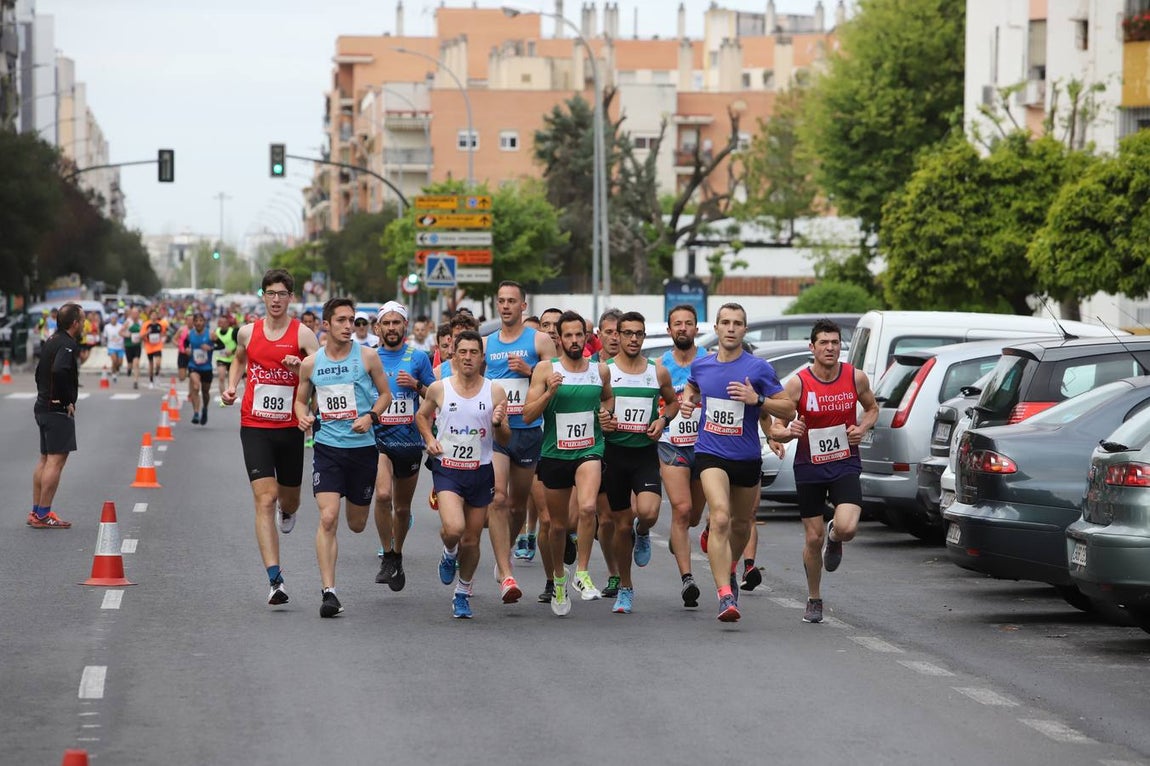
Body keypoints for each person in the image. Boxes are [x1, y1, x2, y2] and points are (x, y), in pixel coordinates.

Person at [679, 303, 794, 622]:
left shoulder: (758, 368)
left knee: (742, 524)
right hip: (710, 453)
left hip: (746, 457)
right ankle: (725, 595)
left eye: (737, 323)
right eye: (726, 322)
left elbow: (789, 408)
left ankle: (730, 567)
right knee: (719, 517)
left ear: (745, 330)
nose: (731, 328)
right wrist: (688, 401)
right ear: (716, 328)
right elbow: (692, 386)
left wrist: (758, 400)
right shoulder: (702, 365)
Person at [769, 318, 878, 624]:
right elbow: (776, 428)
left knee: (847, 527)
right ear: (812, 347)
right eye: (823, 343)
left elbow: (872, 409)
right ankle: (814, 597)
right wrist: (789, 431)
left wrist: (862, 428)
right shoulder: (798, 384)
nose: (830, 348)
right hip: (810, 467)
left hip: (845, 462)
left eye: (835, 343)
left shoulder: (855, 377)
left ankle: (835, 535)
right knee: (812, 538)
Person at [221, 269, 320, 606]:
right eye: (270, 293)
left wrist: (299, 369)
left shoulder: (303, 334)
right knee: (265, 499)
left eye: (282, 294)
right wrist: (232, 386)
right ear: (262, 296)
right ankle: (275, 580)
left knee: (288, 501)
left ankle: (288, 511)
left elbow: (321, 375)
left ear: (291, 297)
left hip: (291, 428)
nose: (276, 300)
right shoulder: (247, 332)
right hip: (255, 425)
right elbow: (239, 360)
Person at [294, 298, 392, 618]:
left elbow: (386, 394)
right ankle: (329, 592)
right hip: (328, 448)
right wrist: (302, 416)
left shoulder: (367, 357)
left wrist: (371, 417)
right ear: (326, 324)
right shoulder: (311, 364)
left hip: (362, 449)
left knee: (357, 524)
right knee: (328, 518)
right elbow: (300, 401)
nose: (348, 326)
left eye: (351, 320)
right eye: (341, 320)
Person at [522, 311, 614, 616]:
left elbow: (608, 399)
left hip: (590, 449)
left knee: (588, 508)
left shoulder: (600, 370)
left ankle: (582, 572)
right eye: (568, 335)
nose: (575, 340)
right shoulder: (545, 369)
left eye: (579, 335)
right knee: (557, 525)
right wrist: (550, 392)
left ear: (587, 337)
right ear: (559, 339)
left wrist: (605, 414)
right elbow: (527, 415)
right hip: (555, 453)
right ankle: (559, 578)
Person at [416, 330, 511, 618]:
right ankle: (449, 553)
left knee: (471, 540)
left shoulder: (495, 391)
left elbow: (505, 439)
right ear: (454, 357)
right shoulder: (440, 388)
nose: (468, 357)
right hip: (448, 469)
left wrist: (498, 424)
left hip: (480, 470)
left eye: (474, 352)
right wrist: (429, 439)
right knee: (454, 529)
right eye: (463, 352)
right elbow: (421, 416)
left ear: (482, 358)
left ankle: (463, 591)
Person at [601, 312, 679, 613]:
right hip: (614, 454)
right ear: (617, 336)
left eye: (639, 333)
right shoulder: (605, 371)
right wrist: (602, 419)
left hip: (644, 453)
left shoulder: (657, 371)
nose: (633, 339)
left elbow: (672, 403)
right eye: (628, 333)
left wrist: (662, 420)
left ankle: (643, 530)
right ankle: (625, 587)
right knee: (621, 526)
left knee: (647, 512)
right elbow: (593, 404)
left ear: (644, 337)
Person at [484, 281, 556, 602]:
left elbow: (554, 382)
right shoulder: (486, 344)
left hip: (528, 432)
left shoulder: (539, 340)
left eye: (512, 301)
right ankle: (505, 570)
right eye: (501, 301)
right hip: (498, 431)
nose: (506, 306)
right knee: (498, 498)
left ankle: (507, 549)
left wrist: (529, 371)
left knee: (516, 507)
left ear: (523, 306)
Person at [371, 301, 436, 593]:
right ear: (378, 328)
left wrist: (416, 386)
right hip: (379, 439)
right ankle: (387, 554)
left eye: (396, 322)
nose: (391, 328)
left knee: (401, 508)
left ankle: (397, 555)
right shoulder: (370, 357)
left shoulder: (418, 357)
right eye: (386, 323)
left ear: (405, 326)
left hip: (409, 441)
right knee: (383, 495)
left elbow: (436, 395)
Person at [657, 304, 709, 607]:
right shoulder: (660, 366)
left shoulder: (710, 361)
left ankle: (679, 538)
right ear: (669, 330)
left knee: (693, 517)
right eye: (677, 323)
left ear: (696, 329)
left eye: (688, 323)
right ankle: (687, 579)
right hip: (671, 443)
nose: (683, 328)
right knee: (681, 508)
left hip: (705, 446)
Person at [29, 302, 84, 529]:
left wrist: (45, 394)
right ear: (75, 323)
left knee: (45, 459)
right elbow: (60, 370)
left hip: (43, 406)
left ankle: (36, 512)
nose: (84, 324)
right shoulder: (67, 344)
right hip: (56, 409)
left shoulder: (52, 339)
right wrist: (66, 400)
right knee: (56, 461)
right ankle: (44, 515)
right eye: (82, 320)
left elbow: (38, 372)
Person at [585, 307, 623, 599]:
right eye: (609, 332)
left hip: (629, 449)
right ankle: (614, 574)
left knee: (634, 515)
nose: (615, 337)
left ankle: (641, 531)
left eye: (619, 332)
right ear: (599, 334)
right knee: (606, 519)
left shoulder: (639, 366)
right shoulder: (587, 367)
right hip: (596, 448)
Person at [186, 313, 216, 425]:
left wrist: (210, 348)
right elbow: (185, 344)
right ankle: (196, 413)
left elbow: (221, 346)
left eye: (201, 320)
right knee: (195, 386)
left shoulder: (211, 334)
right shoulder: (190, 334)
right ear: (193, 322)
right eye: (196, 321)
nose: (198, 323)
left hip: (207, 367)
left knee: (205, 392)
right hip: (193, 366)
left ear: (204, 322)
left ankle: (205, 409)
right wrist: (187, 350)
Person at [214, 313, 238, 405]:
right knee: (221, 377)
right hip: (221, 358)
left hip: (232, 359)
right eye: (221, 322)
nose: (222, 324)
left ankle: (230, 396)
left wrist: (232, 351)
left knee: (231, 380)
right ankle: (223, 398)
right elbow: (213, 345)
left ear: (228, 323)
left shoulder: (233, 332)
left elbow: (240, 345)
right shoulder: (216, 332)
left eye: (224, 322)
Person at [141, 311, 168, 389]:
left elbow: (164, 333)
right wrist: (147, 332)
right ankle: (151, 381)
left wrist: (164, 339)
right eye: (152, 315)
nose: (154, 316)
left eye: (155, 315)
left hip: (157, 345)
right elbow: (141, 335)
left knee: (158, 363)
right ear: (150, 316)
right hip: (149, 346)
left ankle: (157, 375)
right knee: (151, 364)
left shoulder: (161, 324)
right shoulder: (146, 324)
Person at [122, 307, 143, 390]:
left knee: (136, 363)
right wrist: (128, 335)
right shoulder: (128, 322)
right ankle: (129, 369)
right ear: (131, 314)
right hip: (129, 345)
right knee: (130, 364)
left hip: (137, 346)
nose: (135, 315)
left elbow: (143, 333)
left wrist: (142, 336)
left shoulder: (141, 322)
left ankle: (135, 381)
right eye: (133, 313)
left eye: (136, 313)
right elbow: (120, 332)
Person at [103, 311, 125, 383]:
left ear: (117, 319)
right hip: (111, 347)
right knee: (114, 360)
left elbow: (124, 335)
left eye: (115, 318)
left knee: (120, 363)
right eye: (112, 318)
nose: (114, 320)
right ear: (110, 319)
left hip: (120, 347)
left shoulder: (120, 326)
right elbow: (105, 337)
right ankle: (113, 374)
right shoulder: (107, 327)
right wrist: (105, 344)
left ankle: (116, 369)